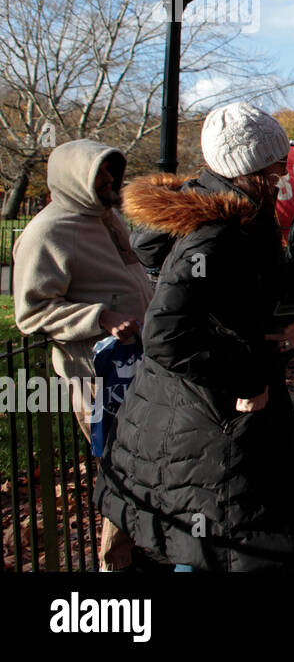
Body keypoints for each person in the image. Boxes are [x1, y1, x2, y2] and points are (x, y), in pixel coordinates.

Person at [95, 103, 294, 571]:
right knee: (216, 547)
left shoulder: (235, 218)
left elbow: (252, 292)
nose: (284, 174)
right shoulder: (217, 232)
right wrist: (248, 378)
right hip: (210, 417)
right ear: (245, 169)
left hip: (195, 413)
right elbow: (167, 333)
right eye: (275, 165)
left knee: (210, 545)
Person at [13, 139, 154, 571]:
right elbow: (31, 311)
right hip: (98, 376)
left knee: (147, 463)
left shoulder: (108, 219)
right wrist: (101, 316)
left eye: (111, 171)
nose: (109, 181)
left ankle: (149, 550)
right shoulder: (48, 231)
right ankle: (118, 562)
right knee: (120, 469)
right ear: (74, 178)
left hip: (141, 367)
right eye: (99, 174)